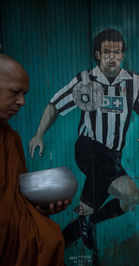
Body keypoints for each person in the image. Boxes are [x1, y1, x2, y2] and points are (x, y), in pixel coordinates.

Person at [29, 28, 139, 250]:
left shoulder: (135, 83)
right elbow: (54, 106)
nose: (112, 57)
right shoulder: (85, 80)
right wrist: (39, 134)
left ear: (123, 54)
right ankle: (85, 220)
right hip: (87, 148)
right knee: (100, 162)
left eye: (117, 52)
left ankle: (83, 224)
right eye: (107, 52)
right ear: (98, 54)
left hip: (112, 157)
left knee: (131, 196)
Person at [0, 54, 69, 265]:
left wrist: (38, 209)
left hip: (13, 247)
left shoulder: (9, 138)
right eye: (15, 92)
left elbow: (14, 200)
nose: (22, 102)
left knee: (49, 237)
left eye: (24, 93)